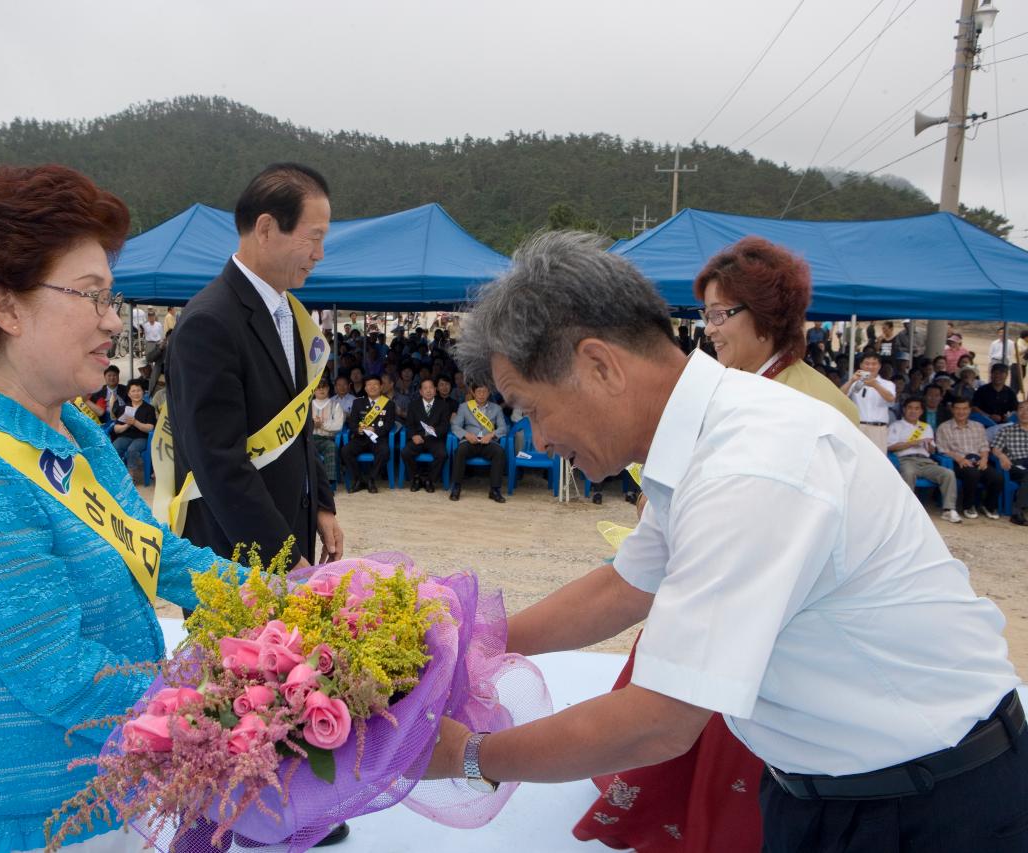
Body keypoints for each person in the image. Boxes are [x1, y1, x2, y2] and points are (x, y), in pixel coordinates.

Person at [424, 230, 1025, 852]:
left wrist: (466, 757)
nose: (536, 437)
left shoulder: (751, 464)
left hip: (928, 803)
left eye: (529, 407)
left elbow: (658, 722)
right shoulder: (703, 435)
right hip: (830, 789)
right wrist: (468, 644)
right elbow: (626, 586)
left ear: (600, 365)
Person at [0, 164, 238, 853]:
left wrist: (289, 600)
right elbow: (65, 677)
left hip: (112, 783)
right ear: (6, 307)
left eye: (113, 296)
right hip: (25, 815)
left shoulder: (69, 426)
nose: (112, 320)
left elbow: (155, 550)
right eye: (92, 296)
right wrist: (249, 704)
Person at [574, 235, 864, 852]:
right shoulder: (733, 385)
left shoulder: (808, 402)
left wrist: (474, 759)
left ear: (767, 316)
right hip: (711, 579)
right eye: (704, 314)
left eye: (720, 314)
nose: (710, 330)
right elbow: (627, 581)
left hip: (762, 609)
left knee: (697, 729)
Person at [166, 162, 344, 575]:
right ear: (266, 228)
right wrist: (283, 558)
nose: (320, 254)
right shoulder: (210, 322)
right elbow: (218, 462)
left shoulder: (288, 311)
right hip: (236, 556)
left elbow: (295, 424)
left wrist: (320, 505)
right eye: (313, 238)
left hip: (285, 537)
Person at [888, 397, 962, 524]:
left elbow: (932, 451)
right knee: (909, 473)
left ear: (921, 411)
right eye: (910, 408)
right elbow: (890, 446)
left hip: (926, 461)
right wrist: (914, 443)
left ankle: (949, 509)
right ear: (904, 410)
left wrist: (931, 447)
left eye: (917, 408)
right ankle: (906, 510)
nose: (913, 411)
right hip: (906, 460)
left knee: (948, 473)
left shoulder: (926, 427)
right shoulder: (896, 426)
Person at [937, 398, 1003, 520]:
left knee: (997, 478)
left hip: (978, 459)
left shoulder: (978, 426)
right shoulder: (944, 427)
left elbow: (984, 446)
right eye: (957, 408)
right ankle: (968, 506)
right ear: (952, 409)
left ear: (970, 410)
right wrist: (960, 459)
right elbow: (943, 449)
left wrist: (984, 459)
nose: (961, 412)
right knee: (972, 474)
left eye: (964, 409)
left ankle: (988, 506)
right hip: (957, 461)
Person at [449, 381, 507, 503]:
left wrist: (491, 435)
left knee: (499, 452)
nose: (481, 394)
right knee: (460, 451)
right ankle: (456, 487)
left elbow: (503, 428)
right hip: (470, 441)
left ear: (489, 393)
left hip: (488, 442)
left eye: (484, 391)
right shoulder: (464, 407)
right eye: (478, 392)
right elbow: (455, 426)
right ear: (473, 393)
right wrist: (466, 435)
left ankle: (495, 490)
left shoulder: (496, 408)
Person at [341, 374, 394, 493]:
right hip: (361, 438)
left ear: (381, 387)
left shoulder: (388, 404)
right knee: (345, 451)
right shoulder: (357, 403)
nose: (372, 387)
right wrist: (357, 430)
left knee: (384, 451)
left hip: (378, 438)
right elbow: (352, 423)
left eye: (375, 384)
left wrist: (375, 430)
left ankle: (371, 479)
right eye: (369, 385)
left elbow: (389, 425)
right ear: (365, 388)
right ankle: (358, 479)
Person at [403, 378, 449, 493]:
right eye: (425, 388)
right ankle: (416, 478)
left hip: (434, 439)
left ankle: (430, 480)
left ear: (435, 390)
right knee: (405, 453)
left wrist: (436, 430)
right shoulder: (413, 405)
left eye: (431, 388)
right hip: (418, 438)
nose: (428, 391)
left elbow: (445, 425)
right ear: (421, 392)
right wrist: (413, 436)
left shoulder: (443, 405)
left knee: (442, 454)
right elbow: (409, 424)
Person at [841, 353, 895, 452]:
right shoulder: (855, 382)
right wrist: (852, 380)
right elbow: (839, 396)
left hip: (878, 429)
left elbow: (891, 398)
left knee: (878, 460)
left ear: (879, 366)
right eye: (867, 363)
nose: (870, 366)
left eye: (874, 364)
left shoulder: (887, 384)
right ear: (861, 365)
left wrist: (875, 385)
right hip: (859, 427)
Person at [110, 379, 156, 483]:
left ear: (143, 392)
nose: (136, 393)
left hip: (142, 437)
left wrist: (135, 423)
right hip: (125, 436)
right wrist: (127, 425)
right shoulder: (123, 408)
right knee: (114, 447)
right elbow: (116, 429)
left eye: (138, 390)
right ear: (129, 394)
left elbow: (150, 427)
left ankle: (131, 477)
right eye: (133, 391)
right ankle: (116, 475)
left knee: (132, 450)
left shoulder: (149, 408)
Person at [991, 399, 1028, 525]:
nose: (1024, 413)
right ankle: (1017, 512)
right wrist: (1001, 455)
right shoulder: (1007, 430)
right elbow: (995, 448)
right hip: (1016, 464)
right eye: (1021, 409)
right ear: (1016, 412)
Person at [310, 377, 344, 485]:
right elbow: (301, 425)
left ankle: (328, 483)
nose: (321, 390)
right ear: (313, 390)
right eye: (318, 387)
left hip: (326, 439)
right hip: (309, 438)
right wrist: (312, 424)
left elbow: (338, 426)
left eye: (323, 387)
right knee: (299, 448)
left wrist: (321, 425)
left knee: (331, 447)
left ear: (328, 388)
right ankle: (307, 482)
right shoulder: (307, 405)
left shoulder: (335, 405)